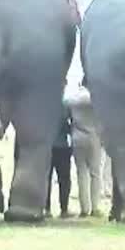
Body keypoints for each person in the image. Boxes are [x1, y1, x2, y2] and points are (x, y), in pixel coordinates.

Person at [65, 83, 104, 217]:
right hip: (93, 137)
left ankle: (84, 208)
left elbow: (67, 114)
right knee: (95, 173)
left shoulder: (72, 99)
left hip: (77, 136)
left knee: (81, 173)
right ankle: (95, 207)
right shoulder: (96, 98)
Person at [46, 114, 73, 218]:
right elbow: (68, 127)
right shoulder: (64, 107)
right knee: (64, 180)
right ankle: (64, 209)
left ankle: (46, 208)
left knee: (47, 178)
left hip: (48, 146)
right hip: (62, 146)